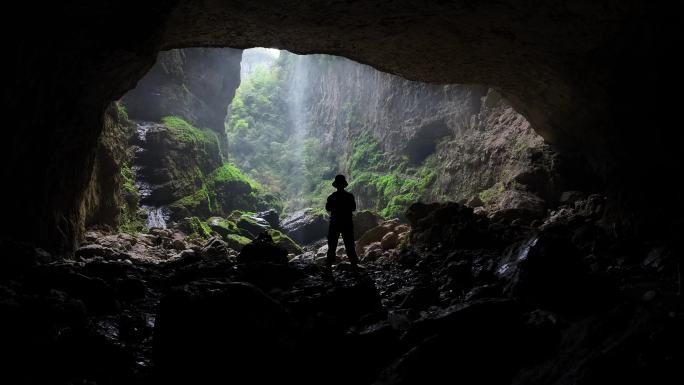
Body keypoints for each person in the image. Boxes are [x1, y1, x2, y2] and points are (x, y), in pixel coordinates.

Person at [324, 174, 360, 276]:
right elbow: (353, 208)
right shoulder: (349, 196)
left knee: (332, 245)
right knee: (349, 244)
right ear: (344, 185)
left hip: (334, 223)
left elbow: (328, 209)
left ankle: (328, 268)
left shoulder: (331, 197)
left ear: (335, 185)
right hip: (347, 223)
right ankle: (354, 267)